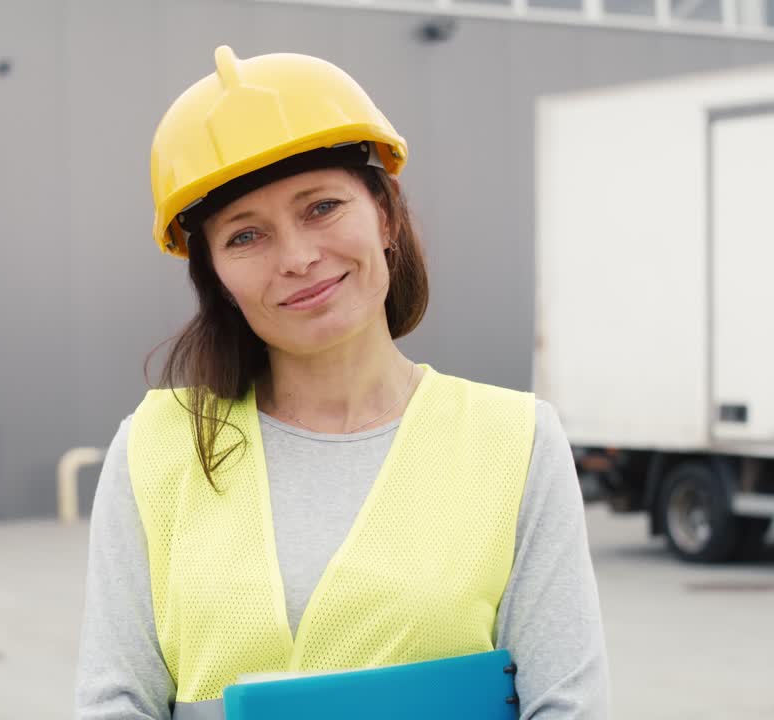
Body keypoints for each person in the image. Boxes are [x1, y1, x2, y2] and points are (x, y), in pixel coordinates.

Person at [76, 46, 609, 720]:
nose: (297, 258)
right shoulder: (154, 449)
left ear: (385, 216)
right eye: (245, 236)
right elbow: (115, 700)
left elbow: (568, 704)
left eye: (321, 207)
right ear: (214, 273)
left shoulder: (516, 442)